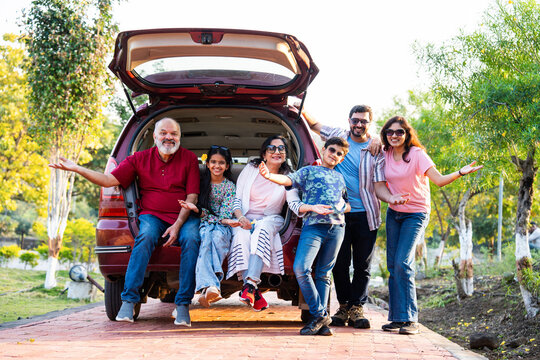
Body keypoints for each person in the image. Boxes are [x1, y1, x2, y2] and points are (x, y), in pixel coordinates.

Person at [48, 117, 201, 326]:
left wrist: (177, 225)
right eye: (164, 133)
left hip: (183, 216)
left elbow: (192, 196)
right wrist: (78, 169)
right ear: (154, 136)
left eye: (174, 134)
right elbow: (109, 180)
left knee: (192, 239)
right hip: (152, 216)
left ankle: (183, 305)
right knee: (145, 236)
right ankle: (128, 301)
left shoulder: (190, 159)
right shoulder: (138, 159)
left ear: (180, 137)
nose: (169, 137)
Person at [302, 105, 407, 329]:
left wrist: (391, 199)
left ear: (370, 123)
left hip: (366, 213)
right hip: (337, 215)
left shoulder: (377, 149)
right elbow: (313, 124)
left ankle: (357, 308)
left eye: (363, 121)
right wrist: (297, 105)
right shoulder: (337, 137)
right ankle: (343, 306)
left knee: (362, 265)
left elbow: (379, 185)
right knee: (339, 265)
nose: (358, 124)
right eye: (355, 120)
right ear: (349, 120)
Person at [380, 116, 482, 335]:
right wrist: (392, 199)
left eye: (399, 132)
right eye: (390, 132)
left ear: (407, 134)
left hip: (415, 214)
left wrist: (461, 172)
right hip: (394, 213)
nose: (395, 136)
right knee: (392, 265)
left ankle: (411, 319)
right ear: (385, 135)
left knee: (403, 263)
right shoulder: (384, 153)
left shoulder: (417, 155)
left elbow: (439, 180)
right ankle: (397, 318)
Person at [259, 137, 351, 336]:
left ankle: (321, 323)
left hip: (336, 229)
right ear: (324, 150)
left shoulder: (340, 178)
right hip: (313, 227)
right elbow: (288, 180)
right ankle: (320, 313)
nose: (334, 155)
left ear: (341, 159)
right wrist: (269, 176)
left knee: (324, 274)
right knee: (301, 268)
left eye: (339, 154)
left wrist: (343, 207)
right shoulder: (309, 171)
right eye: (332, 150)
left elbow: (347, 204)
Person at [226, 135, 303, 312]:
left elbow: (293, 202)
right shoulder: (250, 169)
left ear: (285, 154)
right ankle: (252, 290)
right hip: (245, 217)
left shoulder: (288, 176)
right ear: (264, 154)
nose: (277, 152)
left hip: (272, 219)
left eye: (281, 149)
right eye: (272, 148)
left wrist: (307, 208)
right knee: (240, 235)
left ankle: (251, 283)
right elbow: (237, 199)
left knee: (262, 229)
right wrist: (240, 217)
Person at [179, 145, 239, 307]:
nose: (216, 166)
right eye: (213, 162)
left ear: (227, 166)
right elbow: (208, 216)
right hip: (205, 224)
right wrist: (198, 211)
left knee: (218, 237)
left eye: (221, 163)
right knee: (205, 240)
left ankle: (207, 288)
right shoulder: (201, 184)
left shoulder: (230, 187)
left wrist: (200, 212)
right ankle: (211, 286)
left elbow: (225, 216)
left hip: (222, 226)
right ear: (207, 164)